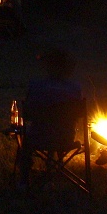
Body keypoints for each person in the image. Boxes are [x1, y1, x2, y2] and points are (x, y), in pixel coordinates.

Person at [16, 48, 83, 188]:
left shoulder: (36, 86)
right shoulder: (75, 88)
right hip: (65, 138)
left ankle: (23, 180)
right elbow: (78, 115)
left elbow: (27, 111)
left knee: (24, 137)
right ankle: (52, 172)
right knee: (53, 129)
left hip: (38, 137)